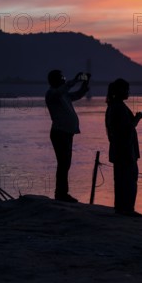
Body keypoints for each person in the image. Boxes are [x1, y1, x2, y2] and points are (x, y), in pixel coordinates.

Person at [45, 70, 90, 203]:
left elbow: (77, 95)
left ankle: (62, 193)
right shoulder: (52, 94)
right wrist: (75, 80)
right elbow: (61, 91)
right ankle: (61, 194)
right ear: (55, 80)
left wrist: (85, 84)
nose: (64, 80)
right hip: (59, 132)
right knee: (63, 164)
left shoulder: (63, 95)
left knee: (66, 164)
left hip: (66, 132)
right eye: (62, 78)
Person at [105, 78, 142, 216]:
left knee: (121, 180)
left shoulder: (113, 106)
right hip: (125, 150)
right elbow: (125, 129)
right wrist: (137, 119)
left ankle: (120, 207)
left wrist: (135, 119)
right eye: (126, 89)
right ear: (120, 91)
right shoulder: (118, 107)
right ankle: (127, 209)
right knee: (129, 180)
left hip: (119, 150)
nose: (128, 92)